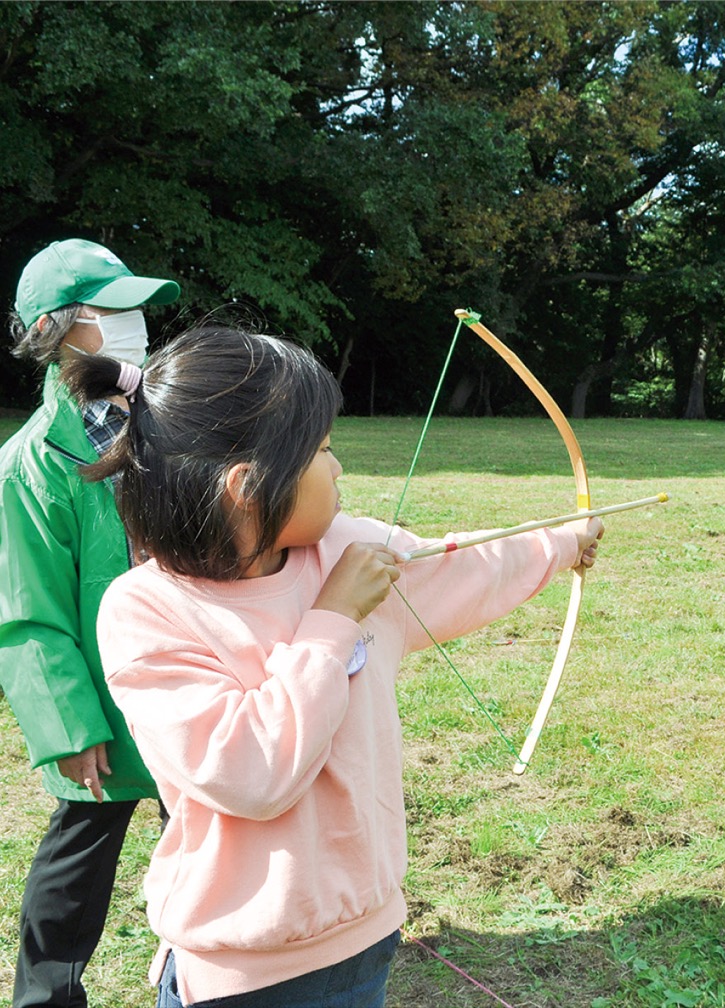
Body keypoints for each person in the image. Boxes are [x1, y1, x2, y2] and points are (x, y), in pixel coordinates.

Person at [62, 324, 603, 1008]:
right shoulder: (146, 613)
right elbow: (253, 772)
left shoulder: (346, 548)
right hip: (245, 972)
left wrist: (562, 542)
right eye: (321, 450)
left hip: (366, 934)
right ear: (247, 486)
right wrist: (333, 619)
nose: (338, 466)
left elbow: (462, 567)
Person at [0, 238, 180, 1008]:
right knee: (81, 856)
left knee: (218, 836)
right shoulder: (31, 463)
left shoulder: (167, 419)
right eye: (113, 313)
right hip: (104, 700)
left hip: (192, 679)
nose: (135, 326)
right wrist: (71, 726)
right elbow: (27, 615)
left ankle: (205, 965)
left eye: (139, 309)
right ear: (58, 331)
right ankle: (46, 993)